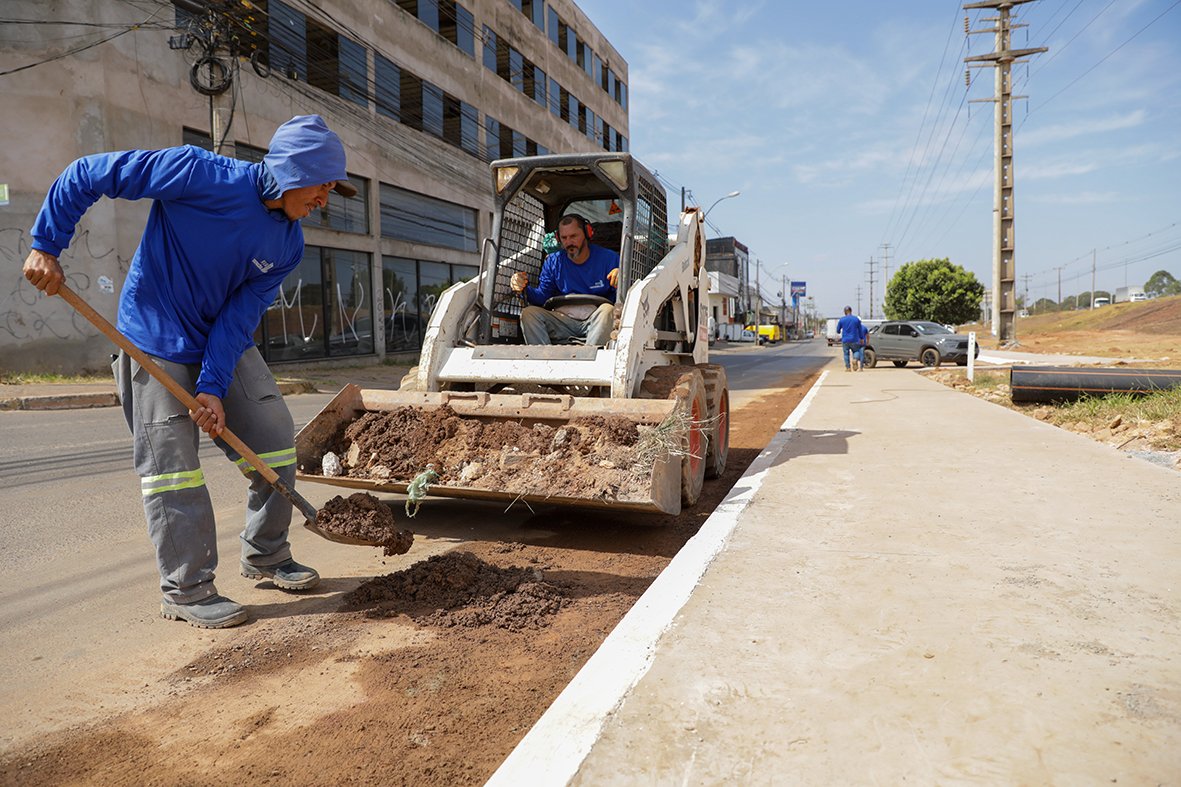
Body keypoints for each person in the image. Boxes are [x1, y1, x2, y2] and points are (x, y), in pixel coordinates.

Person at [22, 115, 357, 629]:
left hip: (218, 343)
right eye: (323, 185)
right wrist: (47, 243)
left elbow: (238, 318)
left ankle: (266, 554)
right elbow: (87, 173)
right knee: (173, 468)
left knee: (273, 439)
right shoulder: (198, 173)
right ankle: (186, 589)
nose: (324, 200)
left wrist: (212, 386)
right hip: (153, 337)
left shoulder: (289, 244)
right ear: (295, 170)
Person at [509, 214, 620, 346]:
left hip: (595, 320)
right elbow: (542, 297)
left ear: (587, 233)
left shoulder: (610, 259)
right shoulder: (553, 262)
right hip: (562, 321)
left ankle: (590, 359)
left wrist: (621, 279)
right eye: (564, 238)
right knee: (529, 314)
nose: (569, 242)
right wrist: (522, 288)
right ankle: (544, 361)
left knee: (608, 310)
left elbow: (621, 298)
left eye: (573, 236)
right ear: (558, 238)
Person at [836, 306, 864, 371]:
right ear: (851, 311)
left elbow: (838, 330)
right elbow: (860, 330)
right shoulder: (856, 319)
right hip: (854, 339)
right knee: (856, 351)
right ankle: (855, 359)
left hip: (845, 340)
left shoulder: (842, 320)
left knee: (846, 354)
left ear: (845, 312)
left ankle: (848, 368)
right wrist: (862, 338)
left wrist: (840, 330)